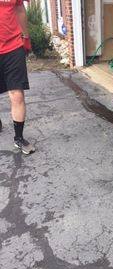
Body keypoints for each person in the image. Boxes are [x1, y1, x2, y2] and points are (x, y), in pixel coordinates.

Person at [0, 0, 35, 154]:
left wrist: (26, 37)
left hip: (13, 46)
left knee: (17, 95)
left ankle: (18, 138)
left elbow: (20, 9)